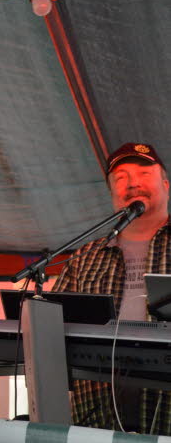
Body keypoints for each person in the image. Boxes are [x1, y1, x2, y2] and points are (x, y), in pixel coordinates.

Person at [52, 142, 171, 434]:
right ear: (112, 194)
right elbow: (51, 327)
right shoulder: (84, 257)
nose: (133, 183)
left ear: (166, 186)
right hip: (95, 423)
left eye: (144, 174)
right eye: (121, 178)